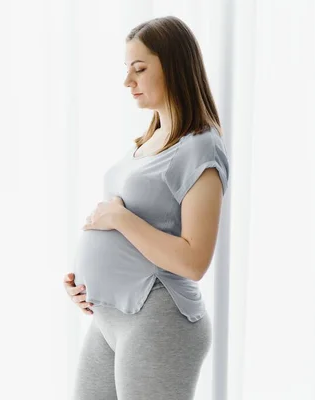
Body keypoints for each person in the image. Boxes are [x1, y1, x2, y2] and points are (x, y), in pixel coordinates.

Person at [62, 16, 230, 400]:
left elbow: (194, 261)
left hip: (158, 318)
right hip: (108, 319)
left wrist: (119, 218)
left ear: (174, 67)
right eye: (127, 70)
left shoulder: (200, 147)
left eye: (139, 69)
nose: (128, 81)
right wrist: (88, 282)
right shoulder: (149, 141)